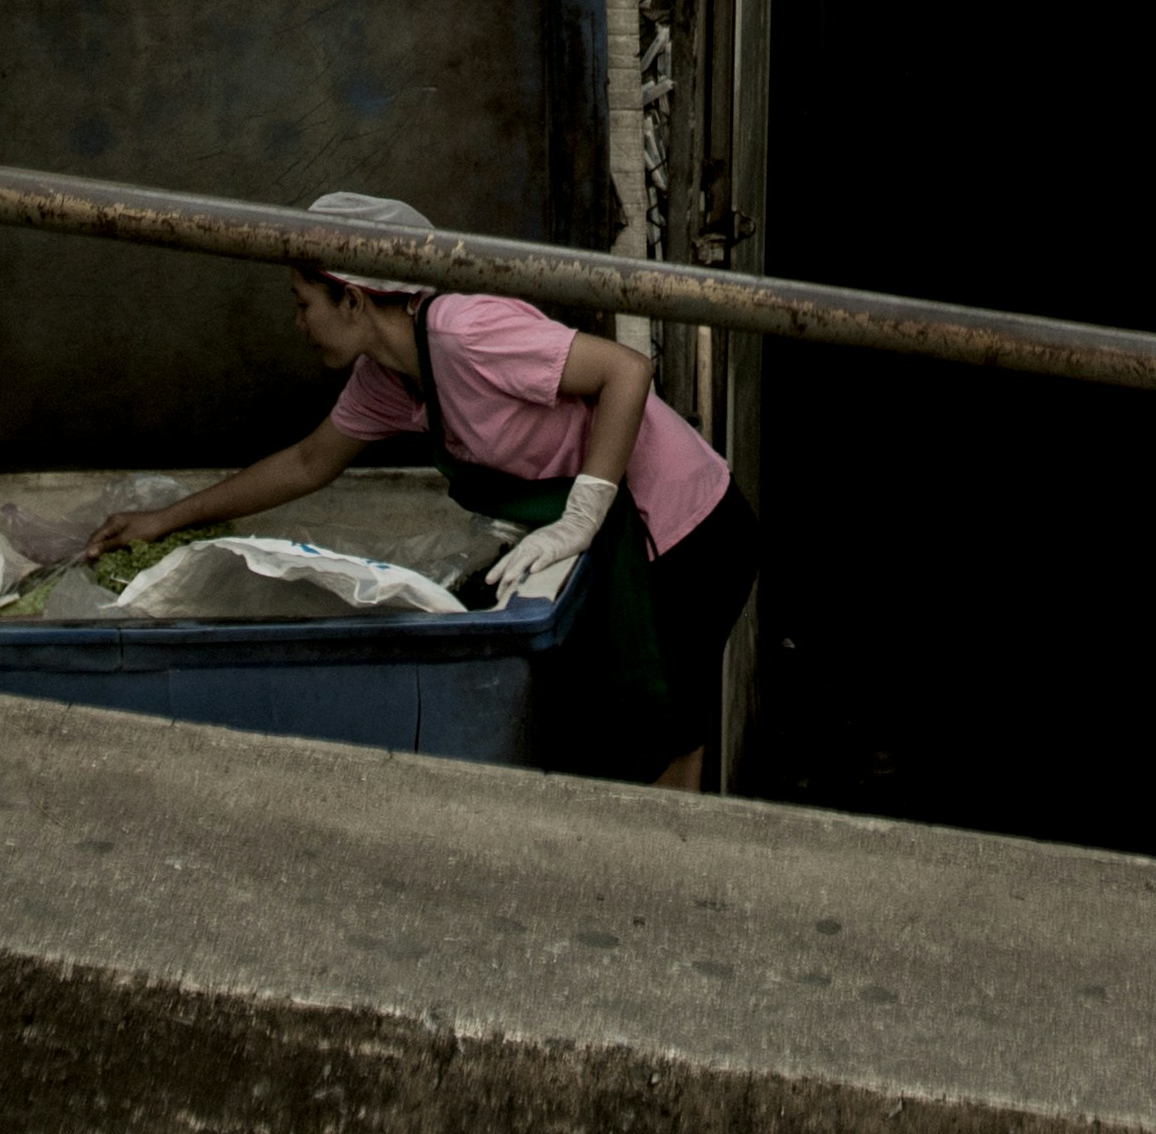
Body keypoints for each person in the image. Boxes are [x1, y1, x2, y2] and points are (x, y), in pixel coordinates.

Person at [82, 193, 753, 788]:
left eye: (303, 303)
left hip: (685, 531)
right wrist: (166, 519)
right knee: (615, 733)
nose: (298, 323)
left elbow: (627, 372)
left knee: (665, 738)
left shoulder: (467, 332)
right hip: (616, 543)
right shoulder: (388, 379)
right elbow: (309, 461)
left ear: (351, 296)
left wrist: (580, 516)